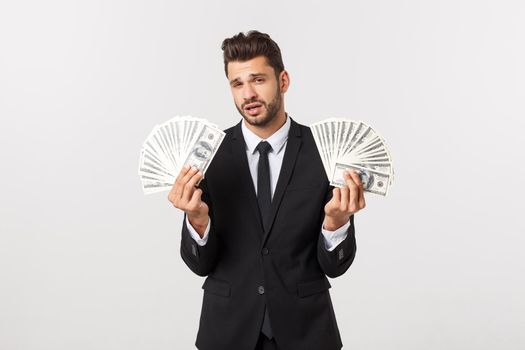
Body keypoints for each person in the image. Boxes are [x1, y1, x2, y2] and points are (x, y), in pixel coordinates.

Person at [168, 30, 366, 350]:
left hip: (306, 333)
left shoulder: (325, 154)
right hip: (227, 332)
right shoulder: (206, 157)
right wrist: (197, 221)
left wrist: (335, 224)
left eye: (258, 80)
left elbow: (336, 267)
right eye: (238, 84)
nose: (248, 94)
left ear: (283, 81)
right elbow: (200, 265)